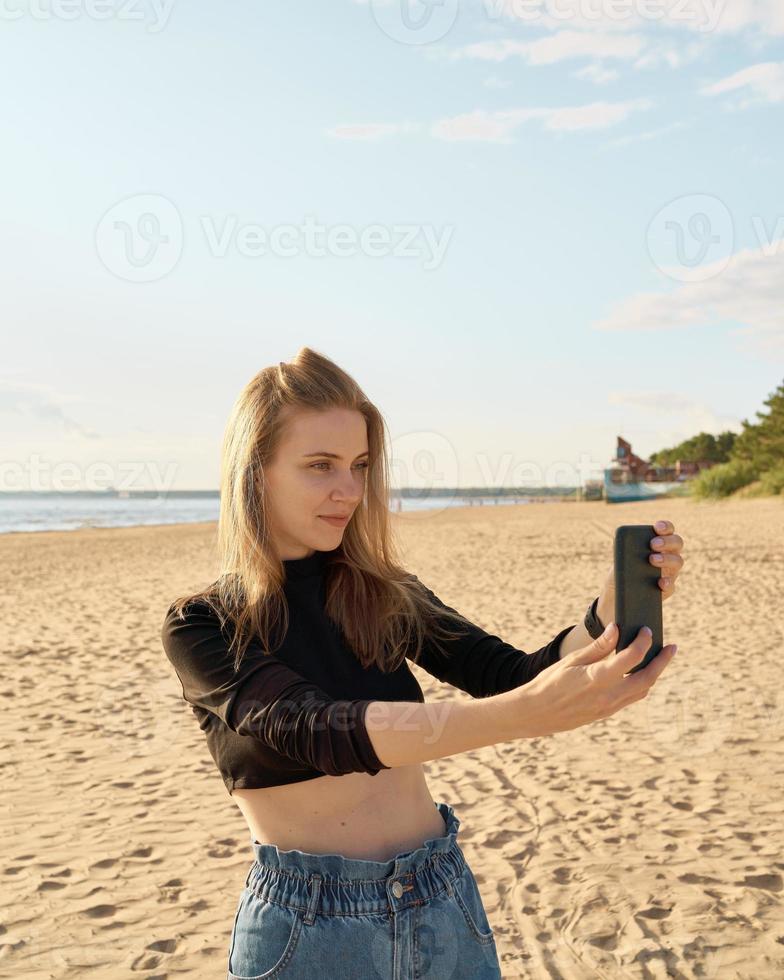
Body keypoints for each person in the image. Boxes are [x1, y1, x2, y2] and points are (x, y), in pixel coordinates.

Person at [161, 347, 680, 980]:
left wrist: (607, 612)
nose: (348, 491)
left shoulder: (383, 593)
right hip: (309, 928)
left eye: (358, 465)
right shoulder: (204, 625)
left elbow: (513, 675)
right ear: (255, 472)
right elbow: (318, 729)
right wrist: (522, 717)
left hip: (440, 897)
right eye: (320, 466)